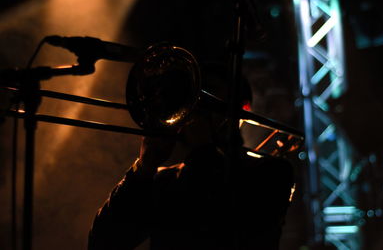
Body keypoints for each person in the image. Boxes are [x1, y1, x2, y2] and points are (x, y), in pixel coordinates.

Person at [87, 63, 295, 250]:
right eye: (192, 95)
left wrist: (203, 148)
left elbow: (227, 223)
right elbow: (104, 243)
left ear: (243, 108)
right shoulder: (164, 180)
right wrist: (144, 167)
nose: (197, 106)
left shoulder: (272, 172)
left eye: (210, 95)